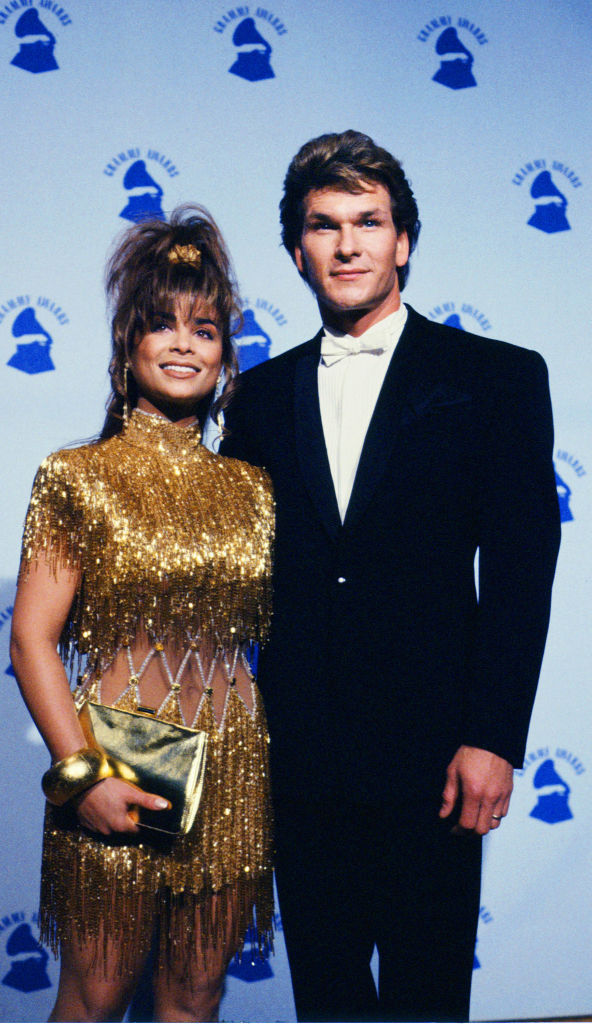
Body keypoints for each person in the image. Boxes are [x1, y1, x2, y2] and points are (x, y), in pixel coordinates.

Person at [220, 130, 561, 1023]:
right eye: (324, 226)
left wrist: (495, 739)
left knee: (425, 1001)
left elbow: (523, 574)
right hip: (299, 765)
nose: (348, 244)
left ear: (403, 239)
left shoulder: (496, 378)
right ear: (297, 250)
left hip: (437, 763)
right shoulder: (256, 400)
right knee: (327, 1004)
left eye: (368, 222)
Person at [10, 206, 275, 1023]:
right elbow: (31, 639)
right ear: (128, 347)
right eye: (161, 325)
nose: (184, 343)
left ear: (226, 352)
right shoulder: (76, 477)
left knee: (196, 1000)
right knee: (94, 999)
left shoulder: (255, 489)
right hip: (118, 761)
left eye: (204, 326)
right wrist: (80, 773)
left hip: (236, 774)